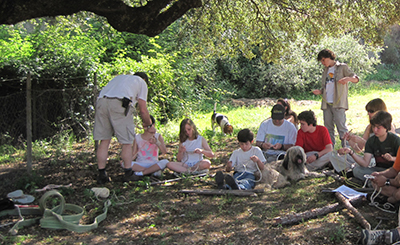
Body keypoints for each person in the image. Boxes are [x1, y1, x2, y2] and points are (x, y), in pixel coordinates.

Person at [93, 72, 152, 184]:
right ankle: (128, 172)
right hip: (120, 103)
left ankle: (102, 174)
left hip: (101, 102)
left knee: (104, 140)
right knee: (127, 142)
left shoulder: (120, 78)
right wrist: (148, 124)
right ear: (144, 79)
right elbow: (143, 109)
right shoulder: (141, 82)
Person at [312, 49, 359, 147]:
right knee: (328, 128)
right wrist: (320, 91)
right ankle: (330, 150)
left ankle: (346, 150)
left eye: (323, 60)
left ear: (329, 57)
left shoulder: (342, 67)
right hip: (327, 103)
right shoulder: (325, 70)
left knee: (341, 127)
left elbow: (356, 79)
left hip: (338, 103)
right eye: (321, 61)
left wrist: (348, 79)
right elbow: (326, 86)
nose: (323, 63)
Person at [338, 111, 400, 182]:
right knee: (357, 170)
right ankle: (377, 182)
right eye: (373, 127)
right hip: (378, 170)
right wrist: (351, 153)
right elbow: (365, 163)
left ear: (386, 127)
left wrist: (392, 158)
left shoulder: (395, 140)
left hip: (394, 171)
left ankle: (377, 182)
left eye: (378, 128)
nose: (375, 130)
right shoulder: (371, 141)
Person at [121, 115, 168, 179]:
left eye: (148, 123)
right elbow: (134, 153)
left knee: (165, 162)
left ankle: (143, 172)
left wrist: (156, 142)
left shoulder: (157, 136)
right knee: (125, 164)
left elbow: (164, 152)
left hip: (153, 163)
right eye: (144, 122)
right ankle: (150, 171)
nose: (145, 125)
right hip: (140, 163)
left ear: (153, 124)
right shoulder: (137, 137)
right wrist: (127, 161)